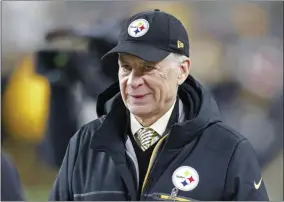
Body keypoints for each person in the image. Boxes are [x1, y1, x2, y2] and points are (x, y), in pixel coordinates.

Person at [49, 9, 269, 201]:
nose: (134, 81)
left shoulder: (228, 151)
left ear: (182, 70)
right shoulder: (85, 143)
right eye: (126, 67)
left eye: (148, 68)